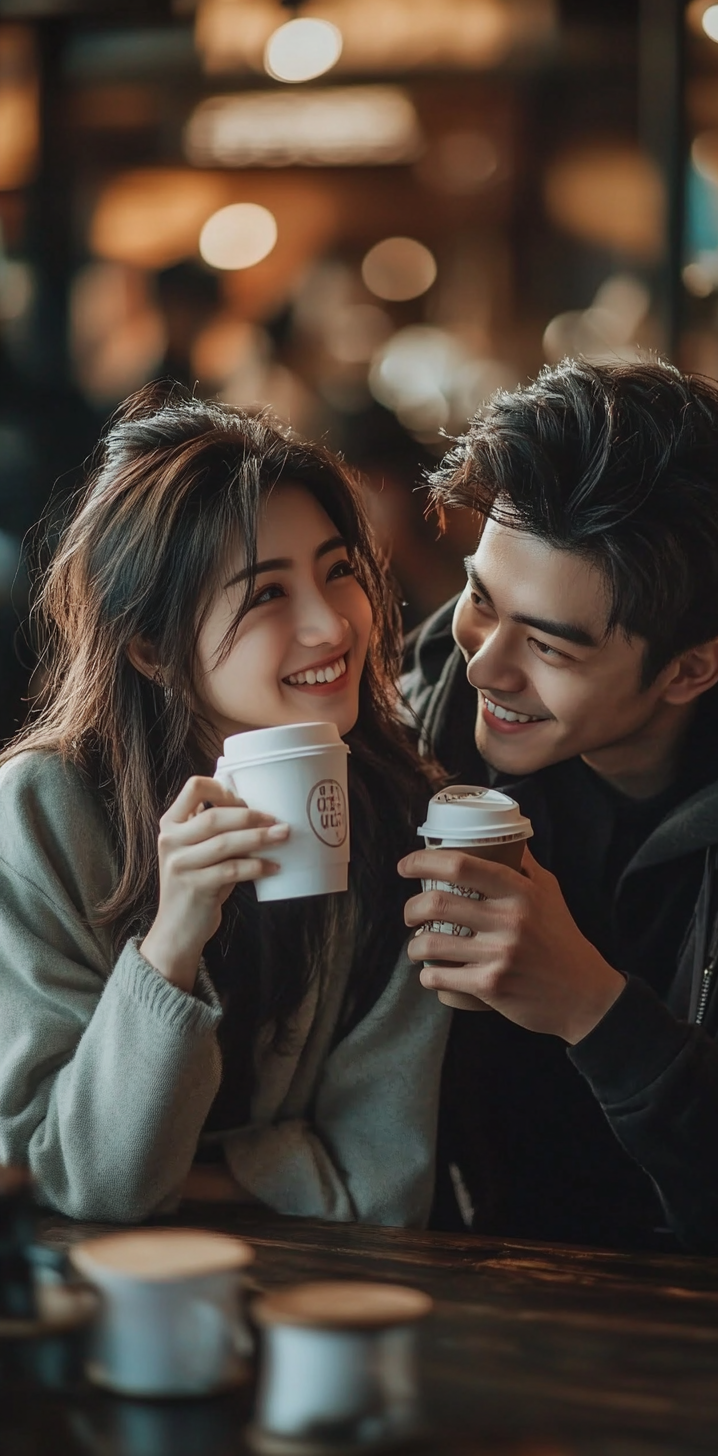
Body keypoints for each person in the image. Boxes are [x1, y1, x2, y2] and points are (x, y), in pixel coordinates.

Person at [0, 384, 449, 1224]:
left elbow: (386, 1183)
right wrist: (172, 940)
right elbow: (72, 1180)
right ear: (151, 649)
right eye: (267, 593)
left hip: (330, 1302)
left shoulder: (401, 810)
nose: (332, 624)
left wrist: (180, 1179)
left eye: (338, 570)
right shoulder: (43, 815)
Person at [399, 359, 718, 1263]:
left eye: (548, 644)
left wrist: (591, 1007)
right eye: (480, 599)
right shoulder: (411, 725)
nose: (484, 666)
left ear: (691, 669)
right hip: (466, 1283)